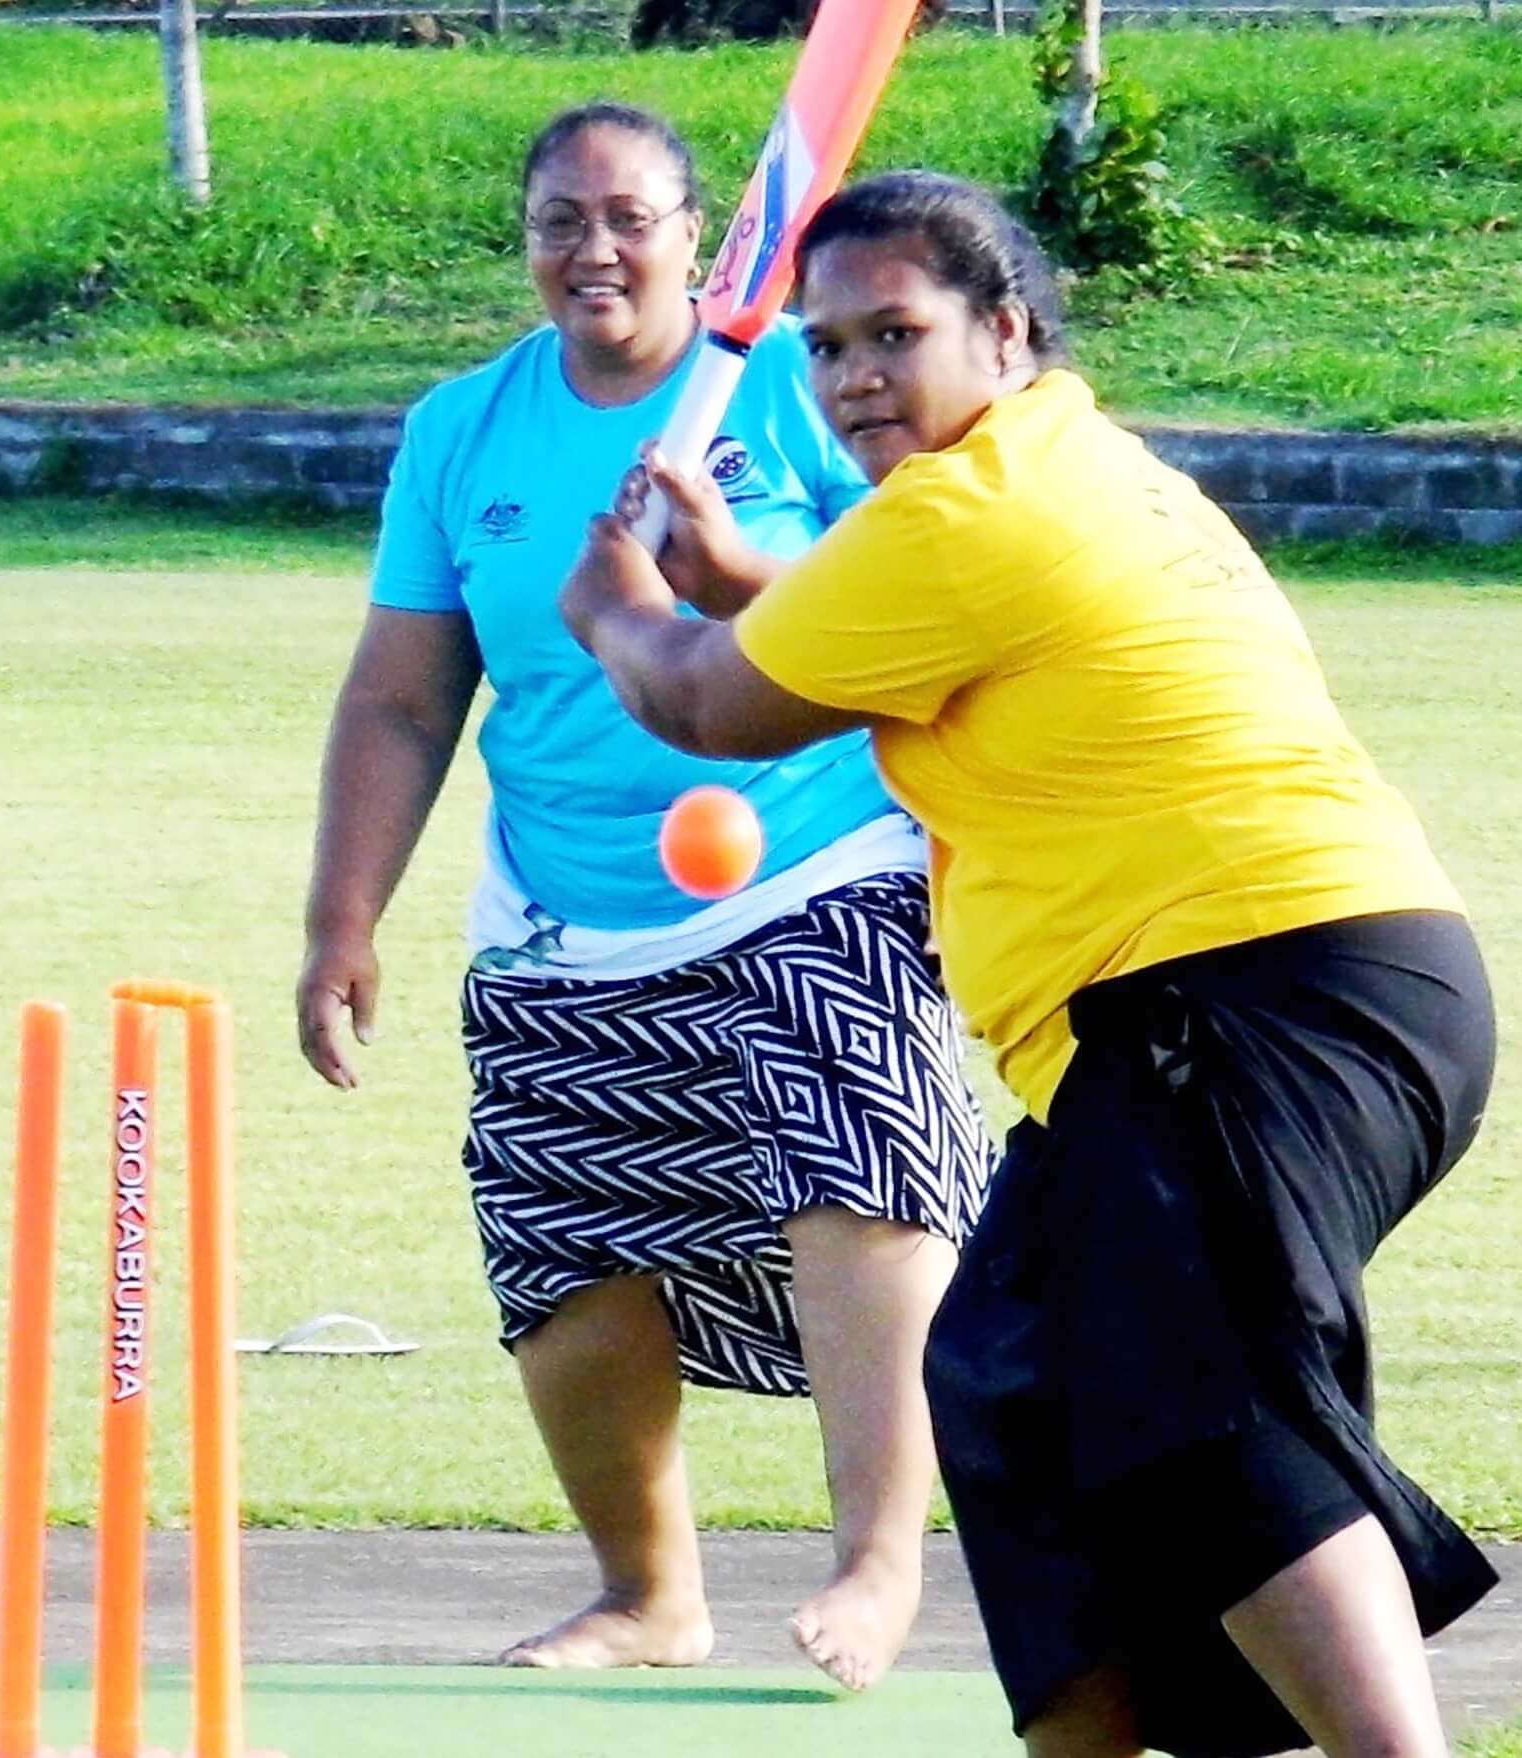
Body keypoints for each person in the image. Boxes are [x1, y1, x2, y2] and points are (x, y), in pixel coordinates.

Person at [554, 169, 1499, 1758]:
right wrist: (728, 589)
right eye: (825, 343)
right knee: (1010, 1383)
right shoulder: (1053, 472)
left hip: (1249, 988)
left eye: (895, 333)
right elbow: (892, 638)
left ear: (1005, 331)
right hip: (1276, 993)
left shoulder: (966, 506)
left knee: (1198, 1398)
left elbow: (714, 707)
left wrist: (619, 610)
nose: (854, 374)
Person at [296, 106, 994, 1691]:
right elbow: (405, 698)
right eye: (559, 219)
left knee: (864, 1173)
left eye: (628, 217)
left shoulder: (795, 392)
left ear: (699, 235)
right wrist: (343, 917)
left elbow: (918, 605)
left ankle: (880, 1564)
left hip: (815, 853)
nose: (593, 249)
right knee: (560, 1257)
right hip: (561, 903)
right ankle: (646, 1594)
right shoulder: (462, 429)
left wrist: (739, 565)